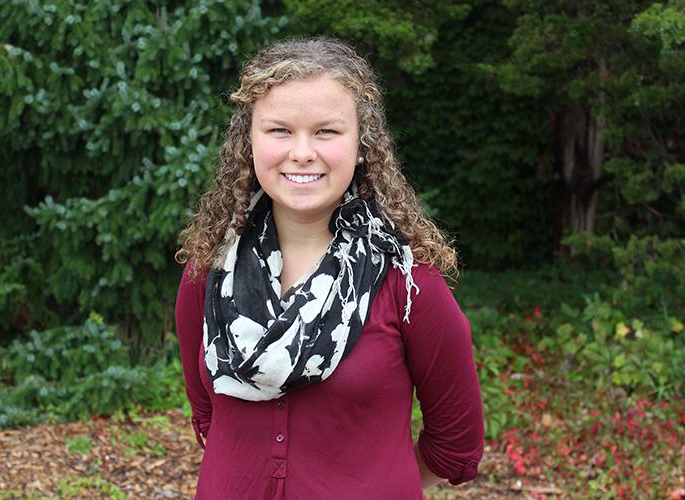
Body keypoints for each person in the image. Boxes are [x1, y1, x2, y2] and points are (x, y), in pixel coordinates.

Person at [175, 37, 484, 500]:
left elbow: (456, 445)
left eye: (326, 132)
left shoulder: (407, 283)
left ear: (362, 144)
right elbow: (208, 418)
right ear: (249, 142)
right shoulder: (210, 271)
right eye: (279, 130)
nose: (302, 152)